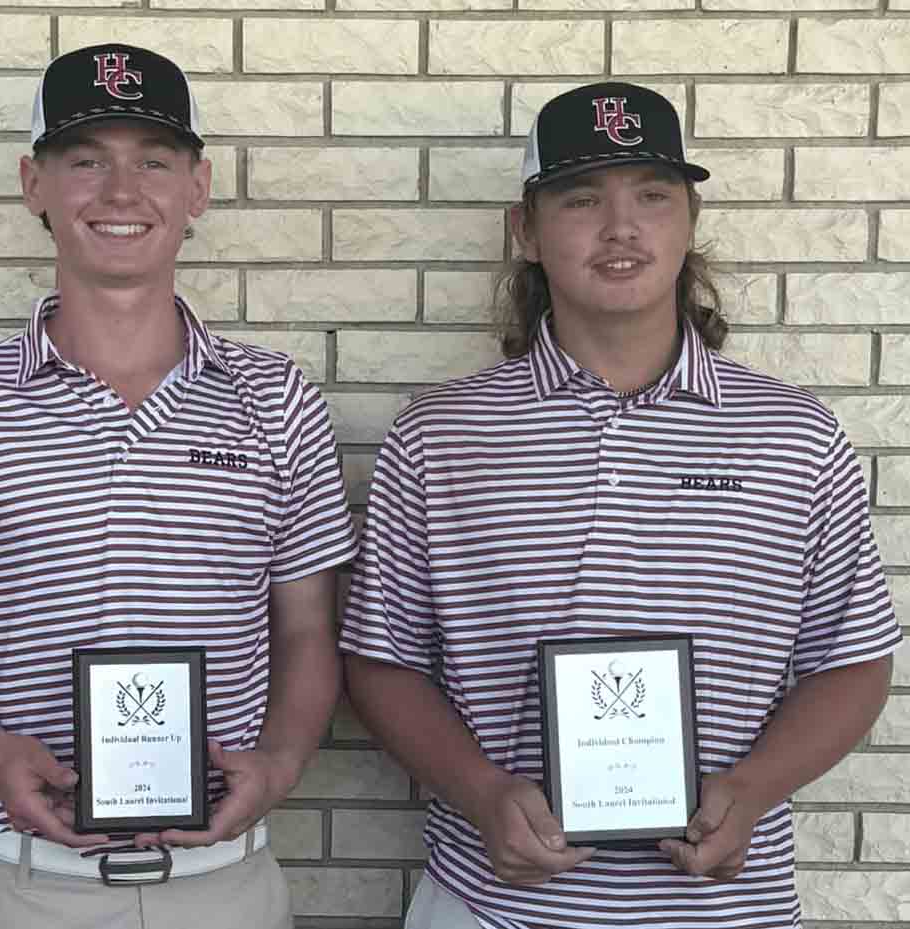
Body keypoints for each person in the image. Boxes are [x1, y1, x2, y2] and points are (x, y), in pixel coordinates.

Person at [340, 82, 899, 929]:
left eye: (651, 195)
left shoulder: (791, 433)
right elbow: (383, 659)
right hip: (493, 905)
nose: (619, 227)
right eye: (579, 199)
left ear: (688, 218)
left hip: (723, 908)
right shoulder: (442, 433)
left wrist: (749, 791)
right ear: (525, 230)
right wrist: (481, 790)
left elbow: (850, 659)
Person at [0, 43, 357, 929]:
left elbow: (308, 626)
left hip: (224, 886)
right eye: (84, 160)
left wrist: (278, 762)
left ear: (195, 188)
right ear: (33, 184)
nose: (121, 191)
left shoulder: (276, 398)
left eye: (152, 161)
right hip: (29, 886)